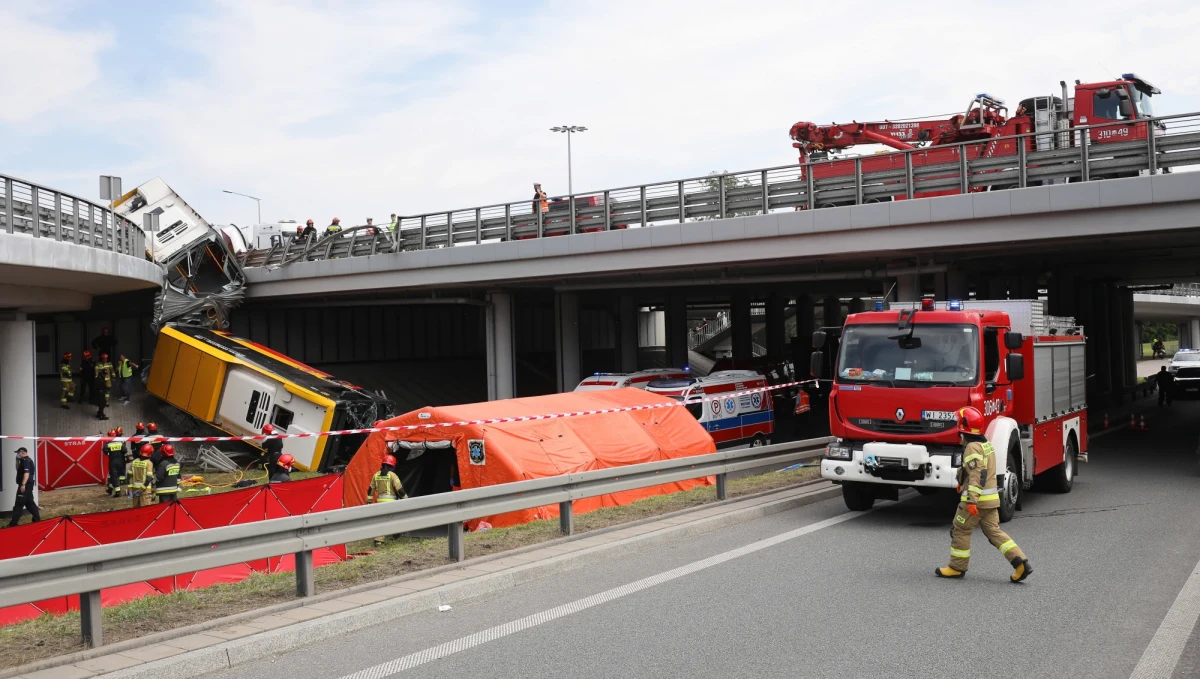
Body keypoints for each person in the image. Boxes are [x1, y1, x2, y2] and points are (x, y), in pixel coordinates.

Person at [937, 406, 1031, 582]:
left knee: (960, 530)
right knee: (994, 532)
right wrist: (960, 482)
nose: (957, 425)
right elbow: (978, 472)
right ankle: (1020, 562)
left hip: (976, 502)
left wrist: (971, 500)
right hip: (991, 500)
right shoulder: (986, 445)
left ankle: (956, 567)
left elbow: (977, 474)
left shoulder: (972, 447)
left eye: (959, 422)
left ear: (964, 426)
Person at [368, 454, 405, 545]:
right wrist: (406, 499)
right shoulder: (393, 475)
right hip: (391, 502)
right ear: (392, 465)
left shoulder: (376, 475)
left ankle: (382, 539)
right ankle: (389, 536)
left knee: (382, 520)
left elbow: (370, 489)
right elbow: (399, 489)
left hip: (380, 502)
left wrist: (368, 501)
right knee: (393, 518)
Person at [8, 447, 40, 526]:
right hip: (27, 485)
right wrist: (17, 461)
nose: (17, 454)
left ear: (22, 452)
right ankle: (37, 520)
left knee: (18, 504)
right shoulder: (23, 461)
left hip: (25, 485)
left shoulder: (26, 461)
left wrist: (23, 485)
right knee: (29, 504)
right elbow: (18, 469)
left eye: (18, 453)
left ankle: (13, 524)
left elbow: (26, 473)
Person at [104, 429, 129, 497]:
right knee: (121, 475)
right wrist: (127, 458)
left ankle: (118, 492)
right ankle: (111, 488)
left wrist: (110, 453)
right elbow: (125, 451)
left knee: (114, 476)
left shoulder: (108, 444)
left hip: (113, 461)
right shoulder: (121, 442)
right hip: (121, 461)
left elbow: (105, 451)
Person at [94, 353, 114, 420]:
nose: (105, 359)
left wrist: (113, 376)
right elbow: (96, 374)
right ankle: (101, 415)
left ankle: (100, 412)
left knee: (105, 396)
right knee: (102, 401)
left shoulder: (109, 364)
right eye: (104, 358)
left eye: (106, 358)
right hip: (101, 385)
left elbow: (112, 371)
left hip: (105, 383)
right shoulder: (98, 365)